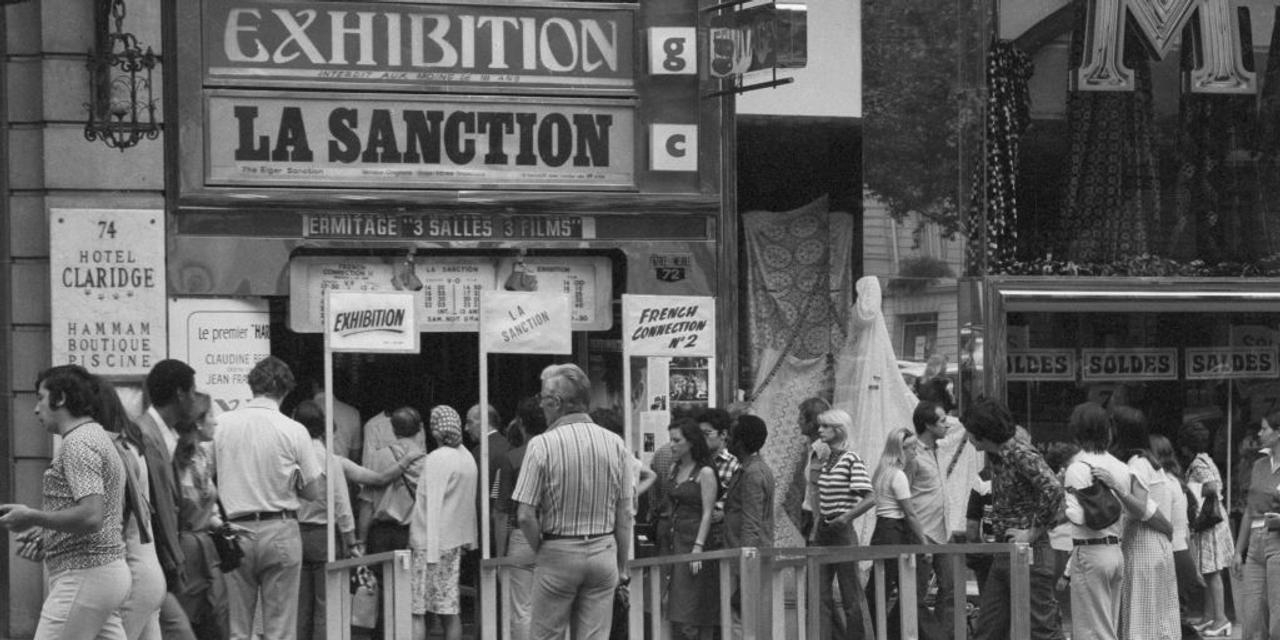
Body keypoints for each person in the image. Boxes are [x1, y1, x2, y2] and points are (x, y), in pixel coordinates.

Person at [0, 365, 130, 640]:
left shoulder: (77, 444)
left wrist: (32, 517)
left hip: (85, 574)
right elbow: (96, 513)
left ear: (59, 398)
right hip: (105, 573)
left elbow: (91, 516)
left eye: (40, 397)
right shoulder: (96, 437)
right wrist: (50, 530)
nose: (36, 409)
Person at [511, 363, 634, 640]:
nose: (540, 404)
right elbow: (625, 513)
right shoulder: (616, 443)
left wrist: (541, 548)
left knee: (547, 635)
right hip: (604, 552)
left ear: (555, 402)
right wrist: (622, 565)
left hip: (558, 549)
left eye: (543, 398)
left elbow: (524, 516)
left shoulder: (541, 444)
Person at [212, 356, 322, 640]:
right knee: (280, 627)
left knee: (237, 627)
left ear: (251, 386)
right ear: (286, 390)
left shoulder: (221, 424)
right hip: (280, 527)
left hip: (235, 530)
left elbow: (205, 479)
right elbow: (313, 491)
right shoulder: (295, 430)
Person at [293, 399, 420, 640]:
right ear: (324, 429)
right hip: (324, 537)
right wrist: (352, 542)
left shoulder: (291, 458)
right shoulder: (333, 460)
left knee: (301, 605)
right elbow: (378, 480)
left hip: (295, 532)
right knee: (325, 605)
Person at [963, 398, 1064, 640]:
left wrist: (1032, 532)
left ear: (981, 434)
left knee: (1041, 627)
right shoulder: (998, 456)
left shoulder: (1020, 453)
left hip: (1030, 551)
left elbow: (1053, 489)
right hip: (1005, 551)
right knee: (989, 625)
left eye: (969, 432)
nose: (967, 437)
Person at [94, 378, 168, 640]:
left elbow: (109, 520)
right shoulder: (129, 444)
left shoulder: (111, 450)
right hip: (147, 570)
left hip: (132, 574)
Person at [133, 359, 202, 640]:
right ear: (180, 394)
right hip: (152, 562)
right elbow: (160, 507)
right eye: (194, 392)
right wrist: (174, 561)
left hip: (155, 563)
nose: (196, 399)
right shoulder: (147, 436)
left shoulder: (162, 436)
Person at [1102, 407, 1178, 640]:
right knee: (1158, 617)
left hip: (1143, 542)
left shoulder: (1137, 464)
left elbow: (1141, 507)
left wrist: (1115, 486)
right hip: (1157, 544)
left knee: (1140, 619)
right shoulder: (1149, 460)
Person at [1060, 402, 1130, 640]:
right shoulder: (1120, 467)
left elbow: (1079, 517)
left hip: (1090, 552)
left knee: (1092, 631)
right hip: (1116, 551)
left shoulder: (1077, 468)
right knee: (1108, 625)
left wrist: (1062, 499)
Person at [410, 406, 479, 640]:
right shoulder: (467, 457)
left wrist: (421, 545)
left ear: (435, 430)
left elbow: (430, 504)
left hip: (430, 543)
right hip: (455, 542)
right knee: (450, 609)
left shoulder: (437, 459)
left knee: (417, 609)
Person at [809, 408, 874, 640]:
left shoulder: (850, 458)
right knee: (818, 593)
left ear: (839, 429)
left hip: (840, 527)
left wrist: (846, 517)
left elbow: (870, 497)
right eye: (821, 425)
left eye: (826, 426)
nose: (820, 430)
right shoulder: (826, 459)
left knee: (851, 595)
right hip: (825, 528)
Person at [173, 393, 231, 640]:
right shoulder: (173, 458)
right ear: (197, 422)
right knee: (186, 622)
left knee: (218, 618)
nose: (216, 422)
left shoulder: (204, 456)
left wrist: (219, 524)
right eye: (211, 416)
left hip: (207, 546)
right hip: (185, 549)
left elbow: (206, 504)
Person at [495, 395, 549, 640]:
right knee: (554, 608)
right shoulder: (556, 453)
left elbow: (501, 511)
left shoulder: (512, 458)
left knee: (521, 609)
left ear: (520, 422)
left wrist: (498, 556)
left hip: (521, 536)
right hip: (555, 535)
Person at [865, 427, 925, 640]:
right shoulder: (897, 475)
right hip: (894, 531)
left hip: (883, 529)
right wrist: (924, 542)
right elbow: (910, 513)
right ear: (900, 449)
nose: (914, 452)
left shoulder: (882, 472)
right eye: (911, 448)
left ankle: (876, 630)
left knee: (880, 586)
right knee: (903, 587)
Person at [664, 418, 720, 640]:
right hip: (673, 538)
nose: (672, 445)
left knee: (692, 606)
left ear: (691, 442)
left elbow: (708, 511)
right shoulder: (673, 468)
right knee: (675, 603)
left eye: (677, 440)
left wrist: (698, 547)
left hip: (694, 539)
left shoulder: (704, 472)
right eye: (671, 440)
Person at [907, 400, 957, 640]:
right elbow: (902, 494)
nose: (947, 424)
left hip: (943, 529)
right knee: (916, 592)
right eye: (941, 421)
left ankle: (943, 635)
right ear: (928, 425)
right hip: (922, 531)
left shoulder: (941, 449)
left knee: (950, 588)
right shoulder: (912, 454)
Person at [1179, 421, 1234, 636]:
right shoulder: (1206, 459)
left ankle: (1220, 619)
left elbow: (1211, 486)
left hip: (1210, 522)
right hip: (1215, 521)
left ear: (1185, 446)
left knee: (1212, 573)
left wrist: (1196, 496)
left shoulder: (1198, 464)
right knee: (1211, 570)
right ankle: (1210, 616)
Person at [1150, 433, 1205, 640]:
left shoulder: (1162, 483)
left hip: (1172, 555)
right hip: (1182, 555)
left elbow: (1158, 520)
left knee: (1170, 623)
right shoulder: (1177, 482)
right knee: (1175, 620)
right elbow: (1186, 530)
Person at [1234, 410, 1280, 640]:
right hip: (1255, 542)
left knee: (1277, 621)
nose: (1259, 434)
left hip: (1278, 542)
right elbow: (1249, 511)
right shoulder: (1259, 465)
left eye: (1264, 429)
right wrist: (1237, 551)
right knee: (1250, 621)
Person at [723, 414, 775, 551]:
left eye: (731, 435)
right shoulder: (753, 468)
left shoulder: (753, 473)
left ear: (740, 441)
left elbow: (751, 524)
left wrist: (746, 563)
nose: (727, 438)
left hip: (746, 559)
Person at [696, 408, 741, 549]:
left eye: (707, 433)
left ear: (723, 434)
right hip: (696, 530)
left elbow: (739, 501)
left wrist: (724, 513)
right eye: (699, 434)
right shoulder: (696, 463)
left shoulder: (735, 464)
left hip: (721, 532)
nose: (702, 438)